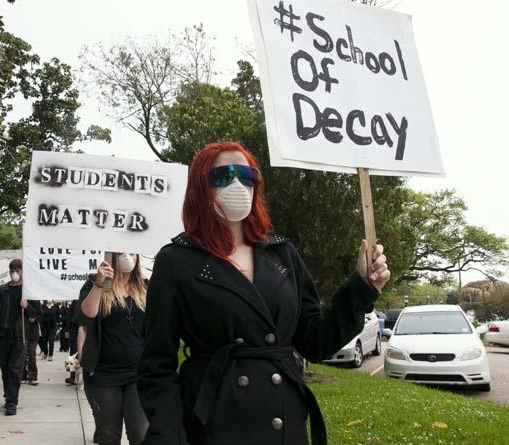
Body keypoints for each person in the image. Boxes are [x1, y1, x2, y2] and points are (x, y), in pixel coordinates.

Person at [137, 142, 390, 445]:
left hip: (284, 420)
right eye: (223, 175)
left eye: (246, 175)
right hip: (214, 422)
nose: (237, 184)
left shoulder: (282, 253)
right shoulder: (176, 260)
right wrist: (169, 437)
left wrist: (360, 288)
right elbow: (156, 367)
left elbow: (315, 340)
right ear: (200, 186)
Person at [78, 253, 150, 445]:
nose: (127, 257)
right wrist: (99, 284)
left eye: (132, 252)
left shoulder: (145, 287)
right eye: (122, 252)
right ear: (113, 256)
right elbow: (86, 316)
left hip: (138, 373)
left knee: (140, 433)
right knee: (108, 436)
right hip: (103, 374)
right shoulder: (95, 284)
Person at [0, 259, 28, 416]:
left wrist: (28, 306)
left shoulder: (28, 292)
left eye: (18, 269)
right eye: (12, 269)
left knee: (15, 370)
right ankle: (9, 394)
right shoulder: (0, 291)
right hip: (4, 336)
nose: (15, 272)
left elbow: (38, 315)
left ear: (23, 271)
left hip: (20, 336)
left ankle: (11, 402)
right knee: (5, 370)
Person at [21, 299, 42, 385]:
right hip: (22, 332)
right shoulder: (19, 298)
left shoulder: (35, 300)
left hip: (33, 332)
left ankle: (32, 376)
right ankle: (22, 375)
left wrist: (35, 319)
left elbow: (40, 316)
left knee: (32, 353)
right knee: (22, 355)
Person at [64, 298, 81, 384]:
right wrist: (67, 330)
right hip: (74, 329)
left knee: (83, 354)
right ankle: (72, 376)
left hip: (86, 328)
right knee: (73, 353)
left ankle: (82, 377)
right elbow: (69, 316)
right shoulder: (75, 301)